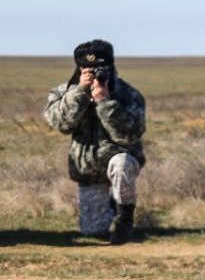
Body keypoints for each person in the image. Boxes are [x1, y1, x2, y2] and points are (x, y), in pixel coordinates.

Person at [44, 39, 146, 245]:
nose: (94, 74)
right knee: (93, 231)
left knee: (121, 164)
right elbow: (61, 124)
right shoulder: (64, 93)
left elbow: (128, 135)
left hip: (119, 159)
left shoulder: (129, 95)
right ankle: (110, 204)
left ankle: (124, 219)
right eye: (87, 69)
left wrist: (105, 102)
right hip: (88, 170)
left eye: (100, 68)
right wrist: (80, 92)